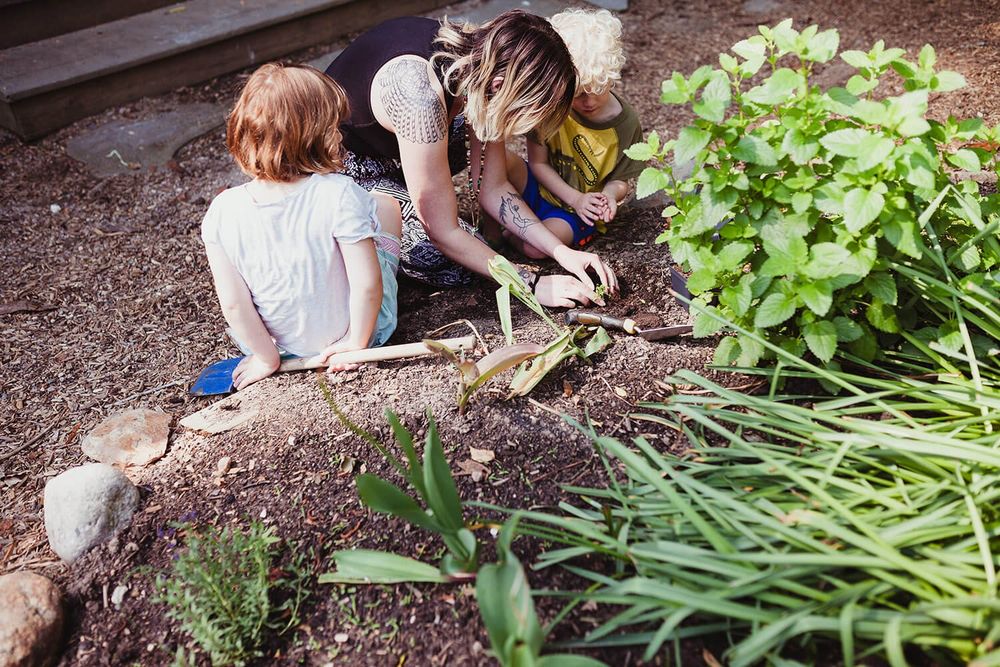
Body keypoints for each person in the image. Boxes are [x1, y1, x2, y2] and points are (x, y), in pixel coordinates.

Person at [325, 10, 618, 308]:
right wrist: (531, 284)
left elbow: (494, 187)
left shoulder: (484, 61)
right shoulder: (420, 98)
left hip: (393, 148)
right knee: (451, 260)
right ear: (500, 85)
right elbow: (443, 232)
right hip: (337, 168)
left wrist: (560, 252)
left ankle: (409, 193)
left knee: (475, 247)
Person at [201, 63, 403, 390]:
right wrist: (356, 343)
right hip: (359, 335)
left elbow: (235, 304)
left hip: (280, 347)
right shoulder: (338, 193)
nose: (340, 134)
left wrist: (267, 357)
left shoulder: (221, 210)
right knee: (386, 205)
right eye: (334, 126)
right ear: (317, 136)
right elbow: (367, 284)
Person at [508, 8, 645, 259]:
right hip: (541, 186)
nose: (589, 101)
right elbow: (538, 164)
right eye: (578, 93)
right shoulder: (551, 108)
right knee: (500, 163)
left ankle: (512, 233)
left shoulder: (626, 124)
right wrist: (573, 196)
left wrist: (606, 197)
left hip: (575, 212)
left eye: (598, 88)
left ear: (610, 76)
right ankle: (497, 234)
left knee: (534, 248)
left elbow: (620, 181)